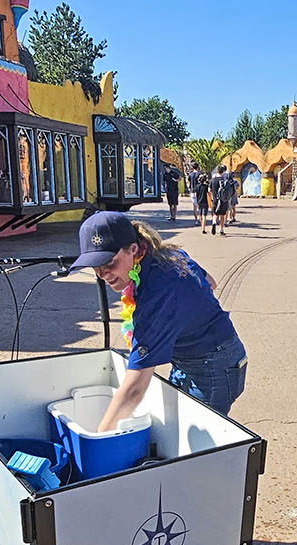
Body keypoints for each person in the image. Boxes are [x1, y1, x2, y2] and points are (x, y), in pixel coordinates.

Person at [71, 211, 247, 428]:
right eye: (95, 265)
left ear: (133, 249)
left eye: (109, 262)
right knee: (176, 429)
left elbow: (134, 389)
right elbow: (210, 282)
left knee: (198, 445)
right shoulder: (166, 254)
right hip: (197, 358)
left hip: (212, 368)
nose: (103, 273)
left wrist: (98, 437)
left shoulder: (157, 294)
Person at [210, 164, 232, 235]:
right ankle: (221, 229)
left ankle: (214, 222)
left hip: (215, 199)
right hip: (223, 200)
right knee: (222, 215)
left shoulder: (213, 180)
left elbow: (209, 190)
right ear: (223, 172)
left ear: (217, 171)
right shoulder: (224, 180)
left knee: (215, 213)